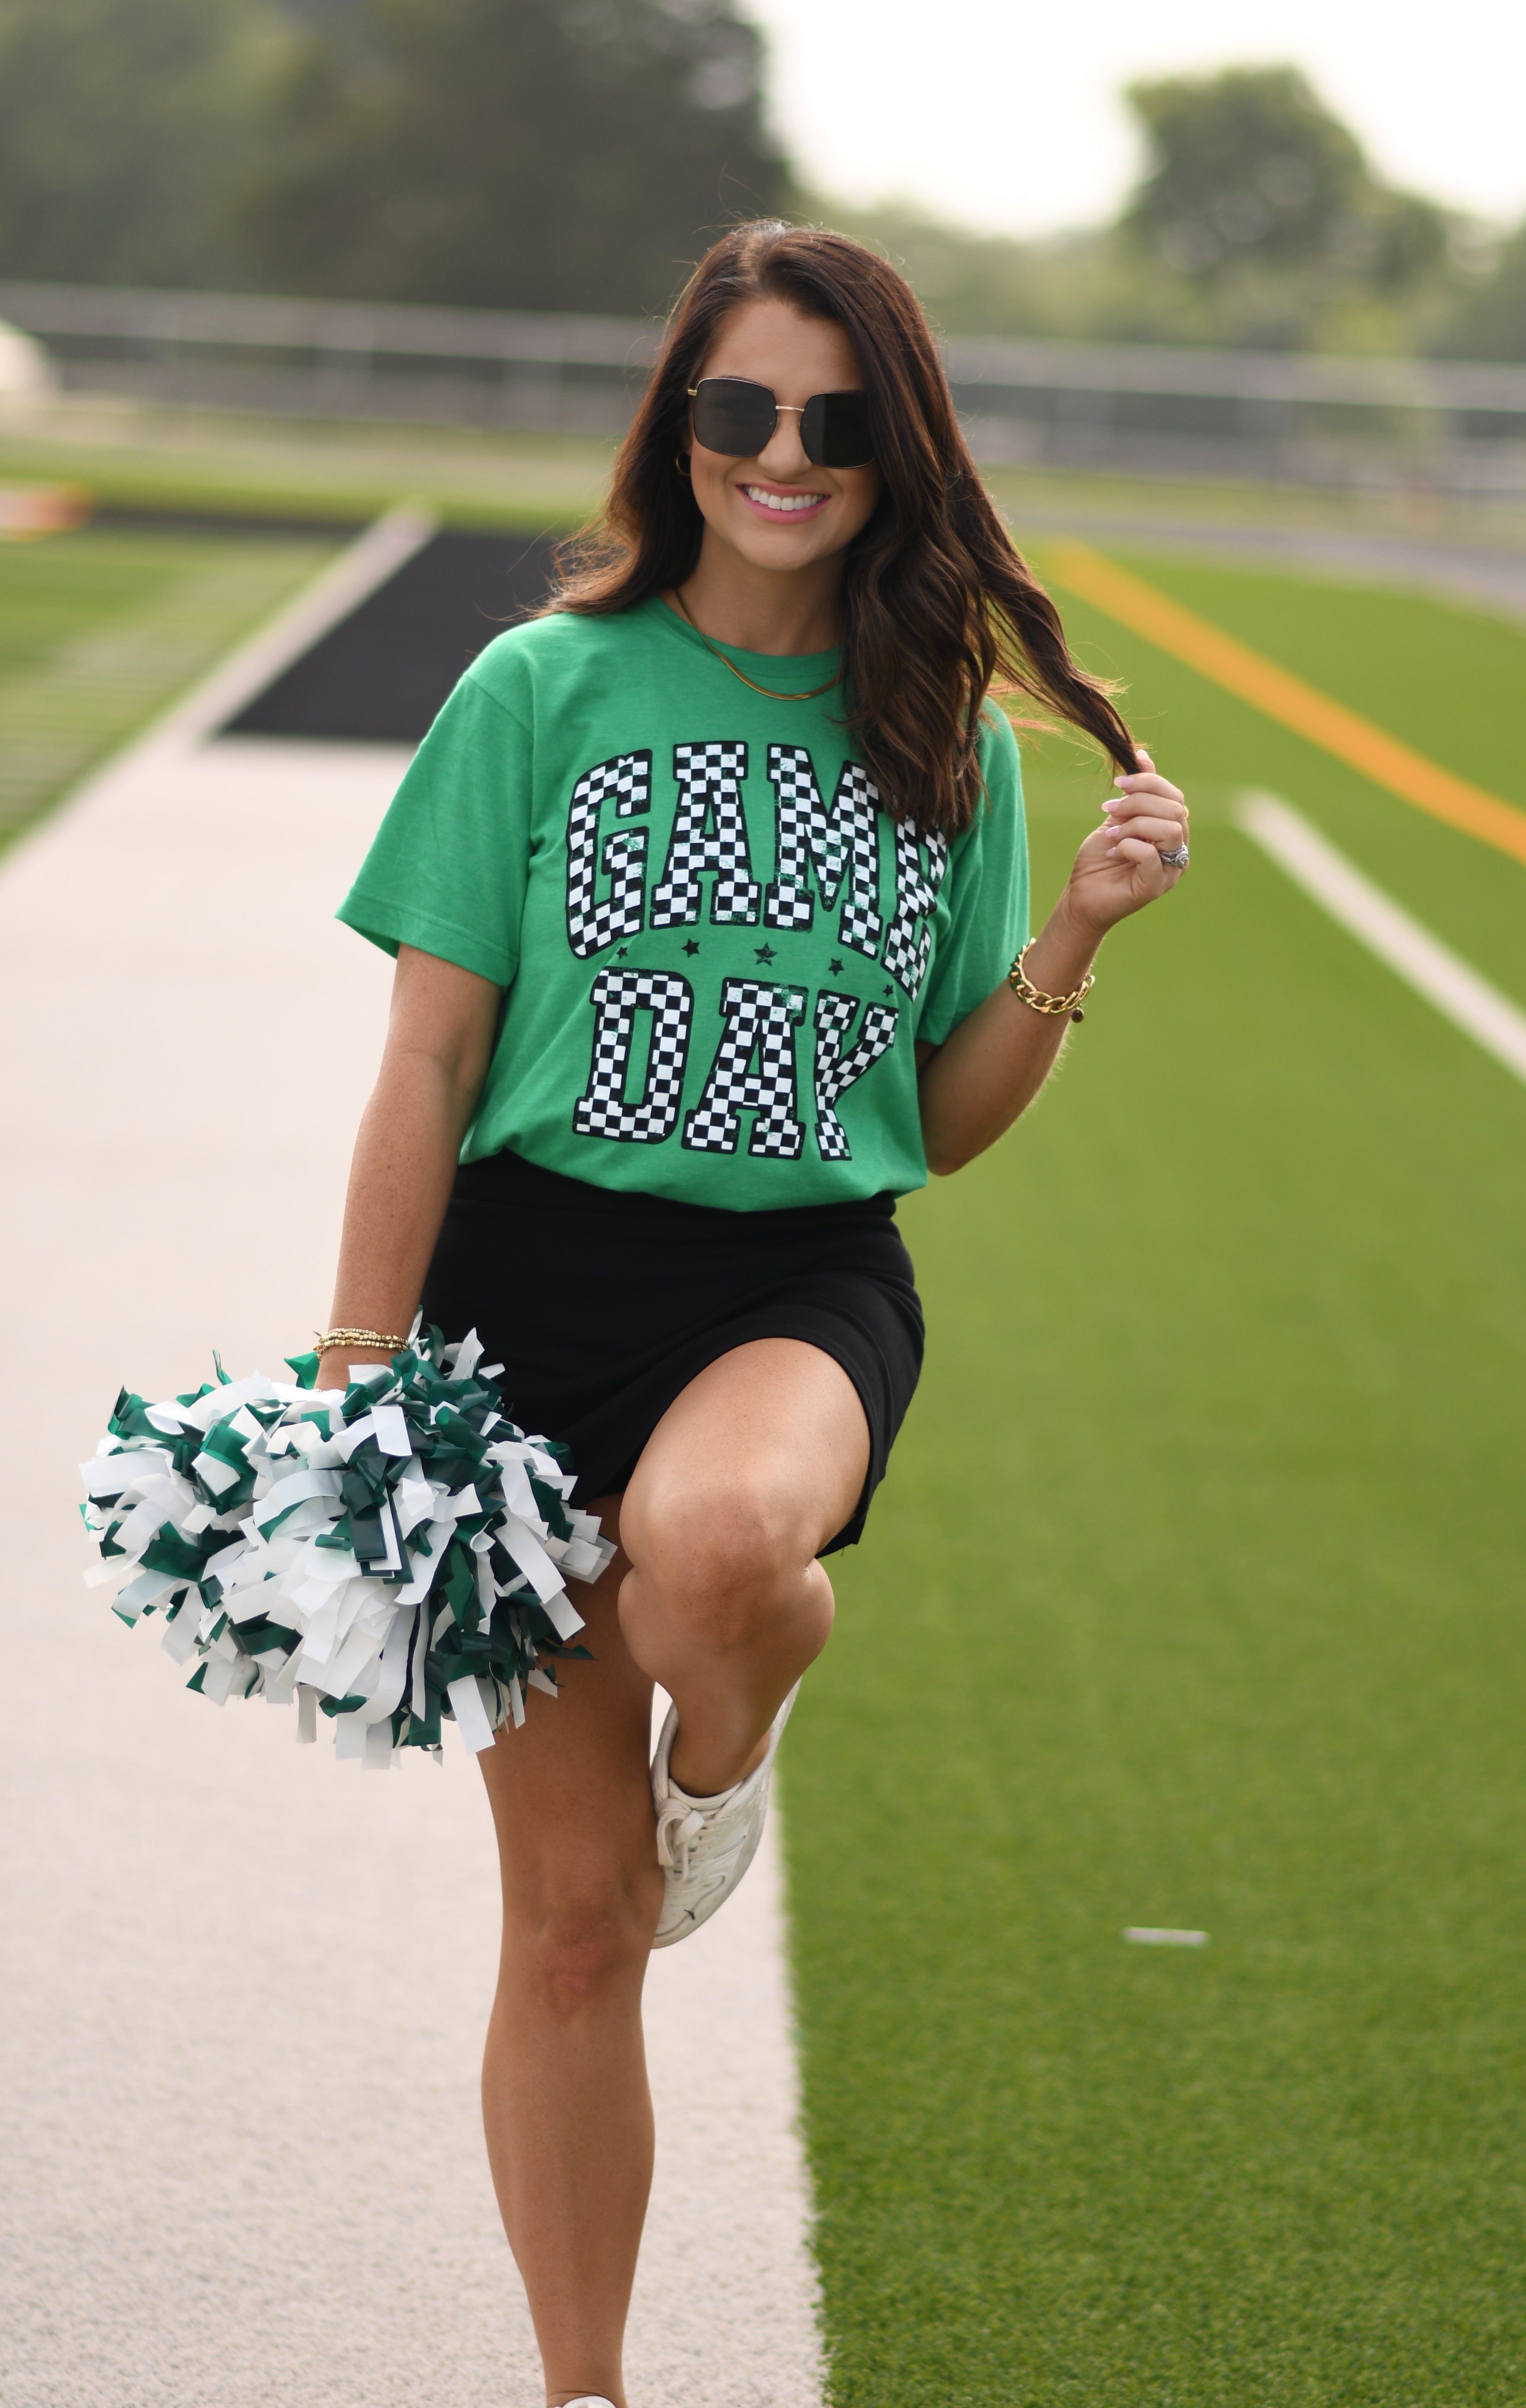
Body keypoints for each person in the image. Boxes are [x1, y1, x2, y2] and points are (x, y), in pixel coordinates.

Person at [318, 219, 1188, 2405]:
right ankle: (585, 2388)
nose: (779, 456)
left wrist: (1070, 934)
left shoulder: (944, 744)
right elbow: (425, 1063)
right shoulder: (539, 689)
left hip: (794, 1280)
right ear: (677, 428)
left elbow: (940, 1117)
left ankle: (732, 1742)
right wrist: (356, 1369)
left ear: (893, 449)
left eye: (828, 419)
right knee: (576, 1930)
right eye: (737, 412)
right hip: (520, 1296)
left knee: (721, 1551)